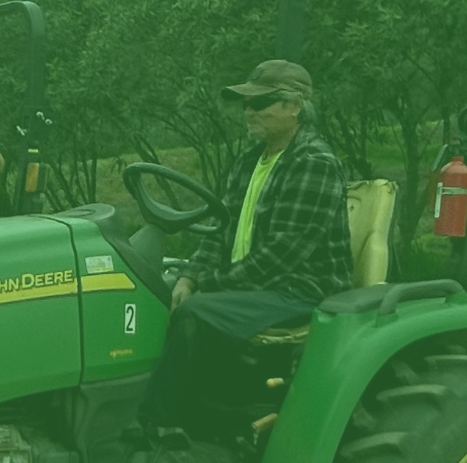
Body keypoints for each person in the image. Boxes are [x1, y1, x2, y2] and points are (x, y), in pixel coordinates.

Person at [136, 59, 354, 442]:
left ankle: (156, 423)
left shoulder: (314, 163)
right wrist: (189, 275)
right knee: (155, 291)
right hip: (258, 283)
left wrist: (210, 284)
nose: (249, 112)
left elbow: (282, 255)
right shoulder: (250, 161)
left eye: (260, 103)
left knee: (195, 312)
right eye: (245, 105)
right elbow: (220, 231)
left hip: (301, 289)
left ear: (295, 106)